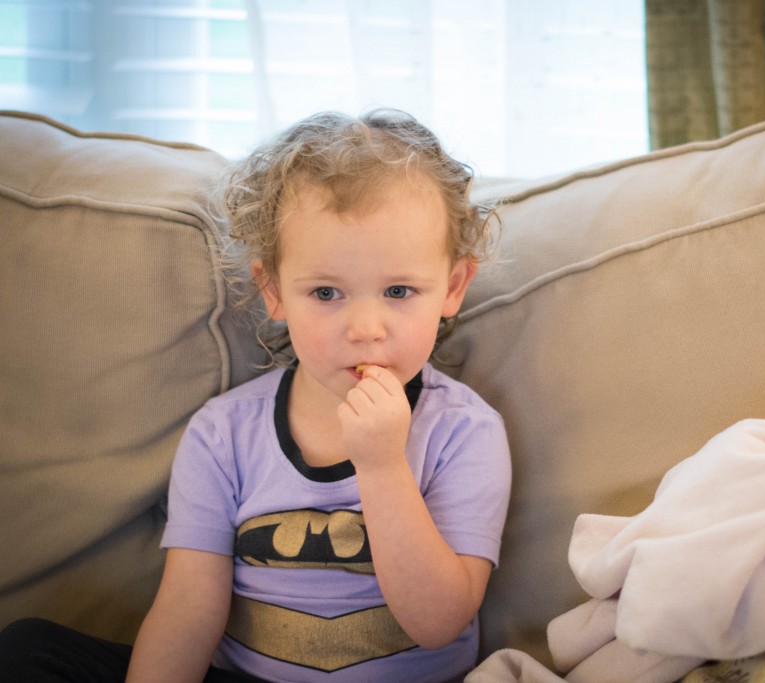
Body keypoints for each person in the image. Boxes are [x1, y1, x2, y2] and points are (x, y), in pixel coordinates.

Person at [0, 109, 512, 682]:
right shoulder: (224, 432)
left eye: (399, 290)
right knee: (28, 648)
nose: (366, 327)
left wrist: (383, 464)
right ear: (272, 292)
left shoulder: (464, 429)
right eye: (326, 292)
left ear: (452, 287)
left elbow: (439, 623)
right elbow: (188, 610)